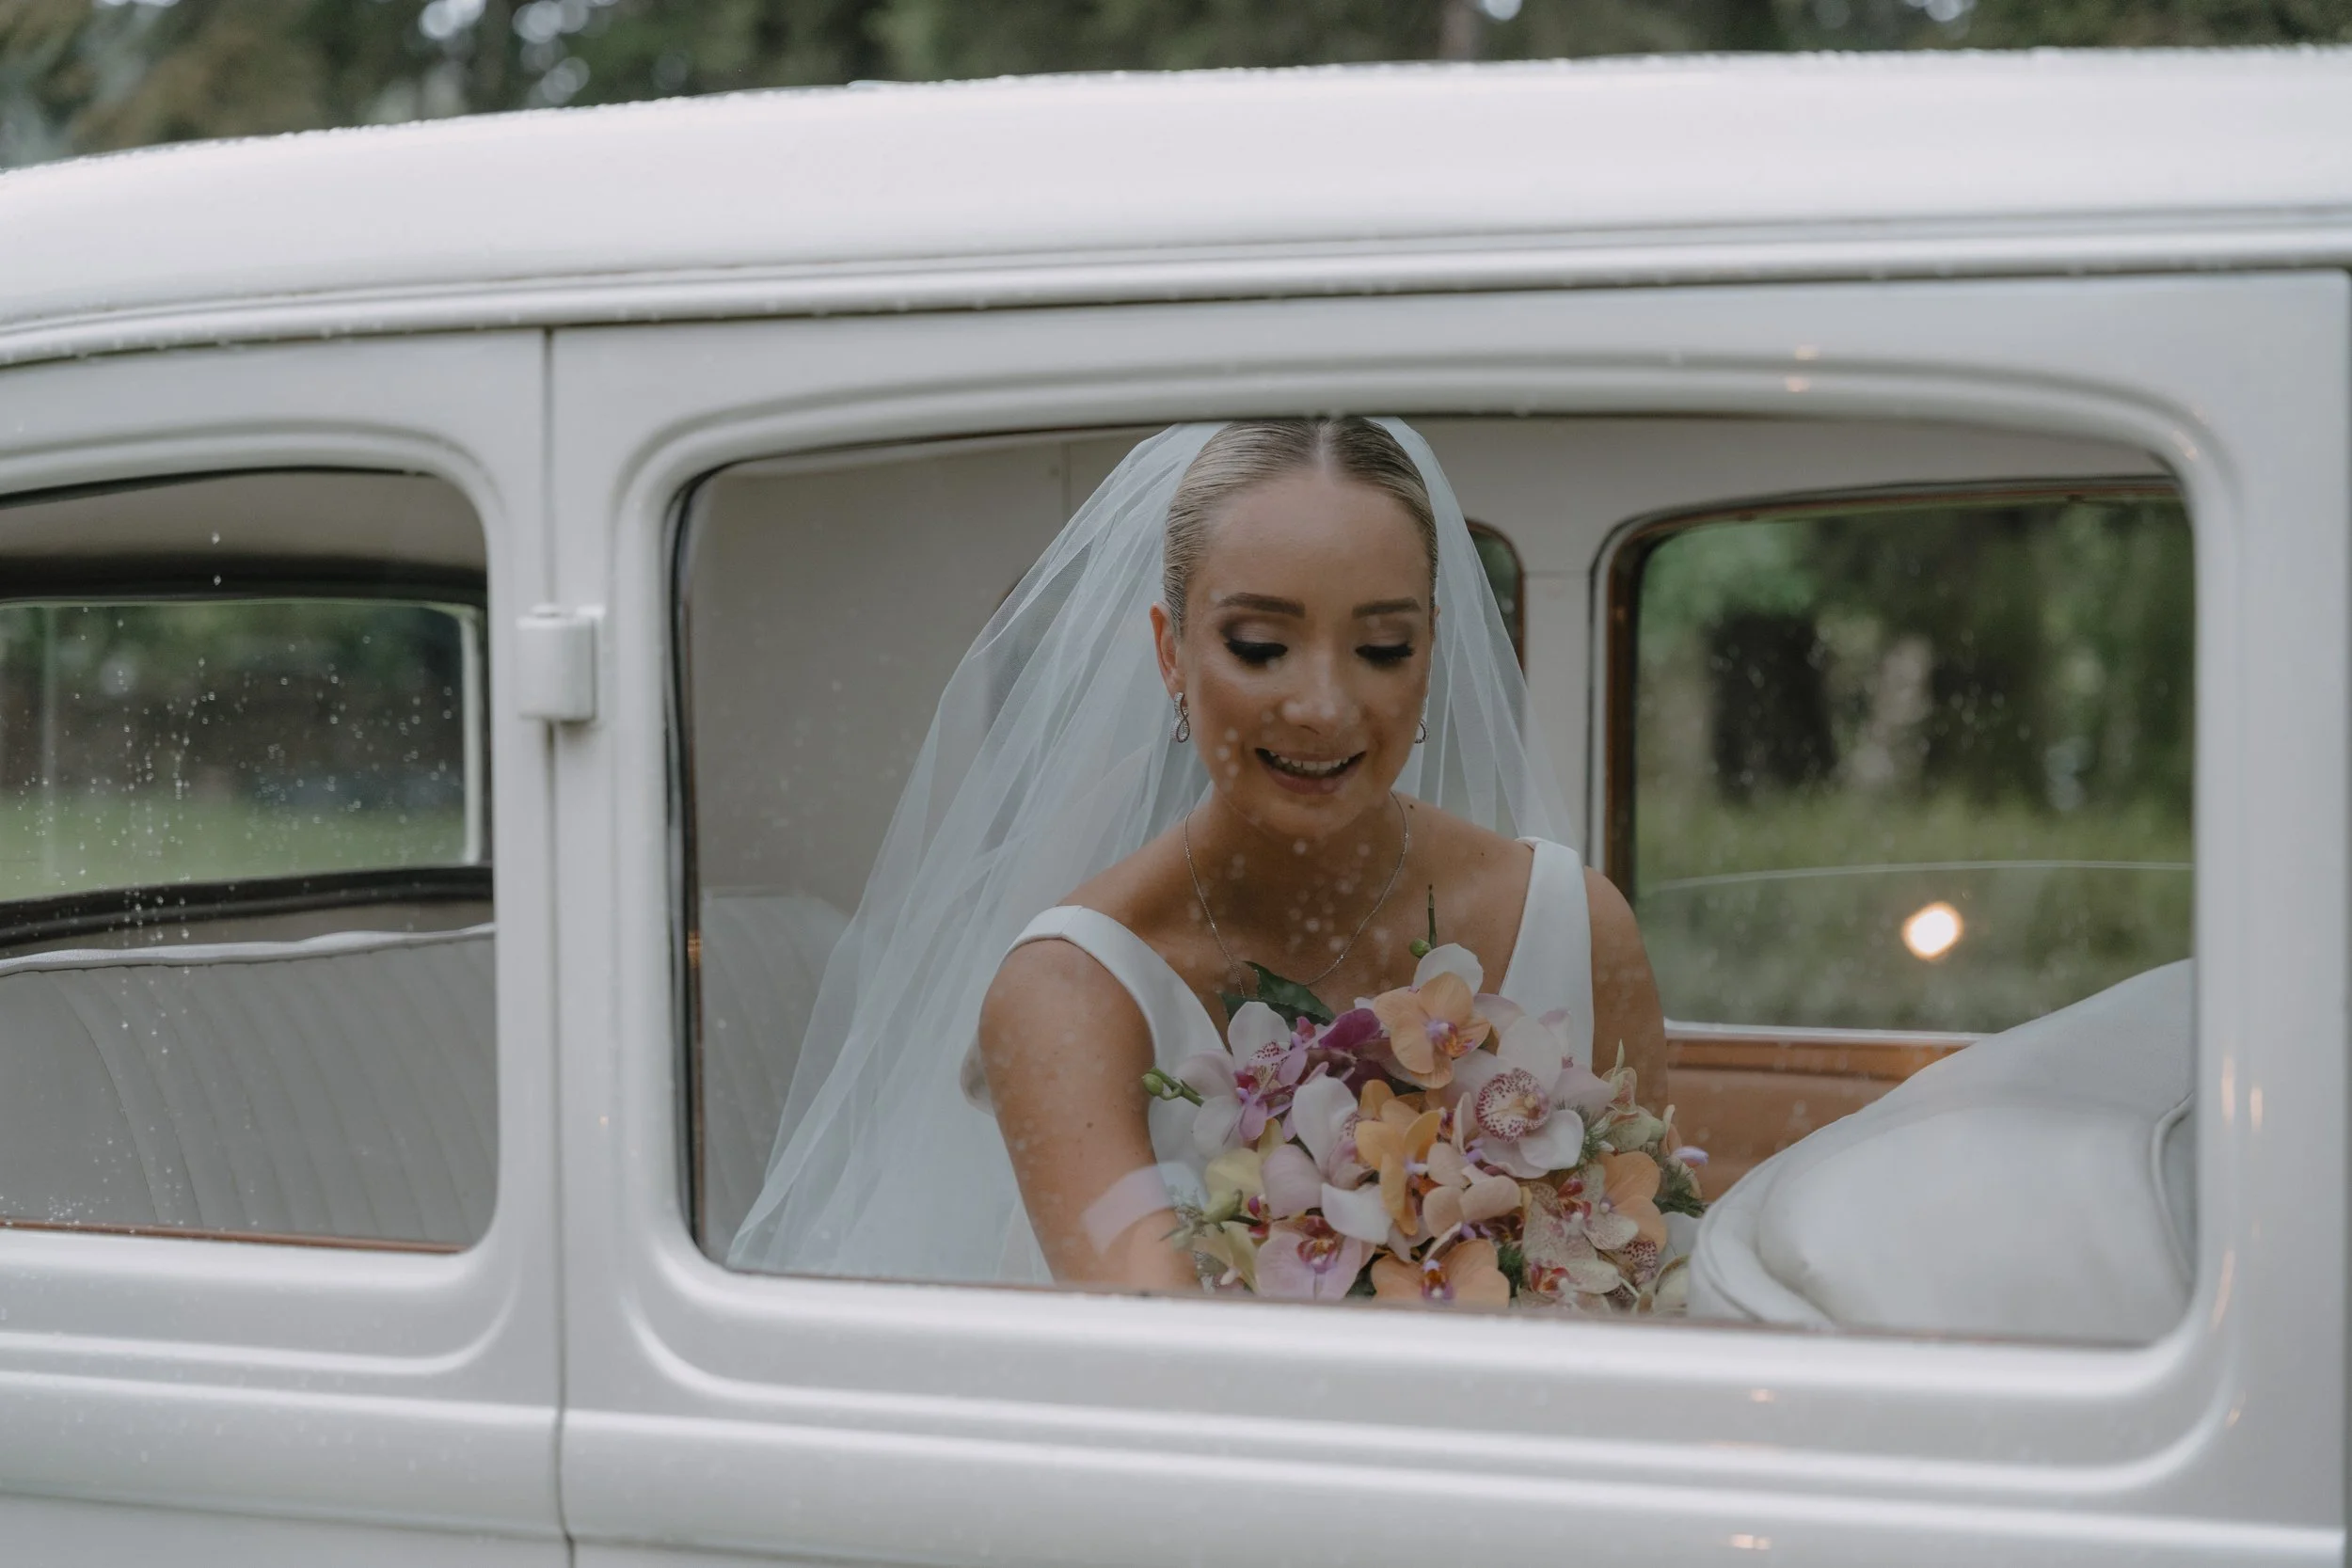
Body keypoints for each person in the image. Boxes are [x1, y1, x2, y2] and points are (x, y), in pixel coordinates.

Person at [730, 418, 1665, 1290]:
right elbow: (1162, 1353)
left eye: (1382, 645)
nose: (1323, 705)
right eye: (1260, 644)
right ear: (1171, 653)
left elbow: (1650, 1268)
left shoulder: (1577, 922)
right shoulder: (1065, 994)